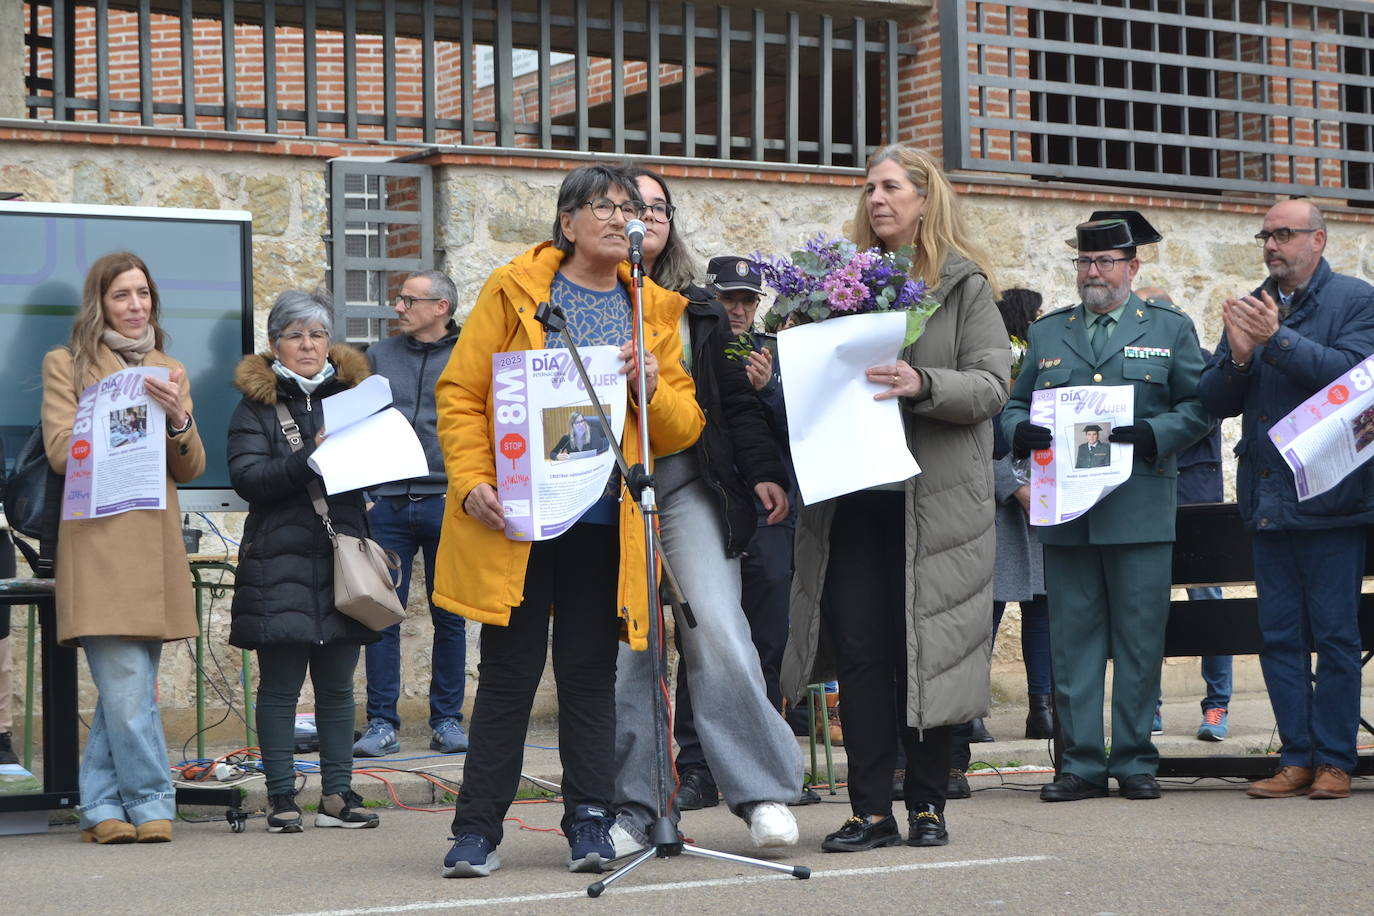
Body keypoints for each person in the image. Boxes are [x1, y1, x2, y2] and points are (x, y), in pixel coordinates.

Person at [432, 165, 704, 877]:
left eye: (630, 208)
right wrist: (471, 482)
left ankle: (589, 821)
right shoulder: (514, 289)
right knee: (508, 675)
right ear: (567, 224)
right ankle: (476, 831)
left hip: (603, 525)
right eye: (603, 207)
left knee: (589, 677)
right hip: (519, 521)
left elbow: (683, 427)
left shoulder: (654, 309)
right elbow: (461, 395)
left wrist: (651, 386)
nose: (621, 219)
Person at [784, 144, 1010, 852]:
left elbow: (992, 386)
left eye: (890, 187)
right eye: (870, 188)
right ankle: (870, 810)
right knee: (860, 653)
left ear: (923, 196)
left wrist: (923, 384)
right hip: (854, 497)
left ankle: (929, 804)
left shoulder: (964, 285)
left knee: (929, 650)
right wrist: (783, 365)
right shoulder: (838, 285)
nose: (876, 198)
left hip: (934, 504)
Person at [610, 167, 802, 853]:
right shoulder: (570, 295)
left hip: (690, 483)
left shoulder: (699, 305)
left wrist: (764, 474)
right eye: (633, 204)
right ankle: (634, 808)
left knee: (719, 629)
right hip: (610, 493)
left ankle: (763, 793)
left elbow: (735, 404)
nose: (647, 215)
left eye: (659, 205)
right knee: (631, 652)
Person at [1003, 211, 1211, 803]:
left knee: (1141, 639)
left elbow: (1200, 406)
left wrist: (1155, 434)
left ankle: (1135, 759)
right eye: (1084, 262)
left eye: (1105, 262)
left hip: (1138, 506)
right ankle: (1081, 765)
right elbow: (1015, 405)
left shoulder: (1168, 327)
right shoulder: (1048, 332)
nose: (1093, 273)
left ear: (1132, 267)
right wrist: (1021, 432)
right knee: (1073, 641)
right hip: (1068, 511)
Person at [1197, 199, 1374, 800]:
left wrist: (1276, 340)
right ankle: (1295, 757)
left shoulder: (1355, 300)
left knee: (1336, 636)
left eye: (1283, 235)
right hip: (1268, 498)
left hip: (1331, 498)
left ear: (1318, 240)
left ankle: (1335, 761)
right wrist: (1241, 357)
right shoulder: (1254, 304)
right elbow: (1215, 399)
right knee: (1278, 636)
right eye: (1265, 236)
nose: (1271, 246)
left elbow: (1351, 376)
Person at [40, 251, 205, 843]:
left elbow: (191, 466)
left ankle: (102, 808)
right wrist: (112, 402)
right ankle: (151, 799)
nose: (136, 307)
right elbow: (61, 453)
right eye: (121, 296)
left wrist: (179, 419)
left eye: (143, 295)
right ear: (100, 303)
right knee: (130, 690)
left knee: (124, 692)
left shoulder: (170, 367)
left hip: (155, 550)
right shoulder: (68, 364)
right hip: (99, 546)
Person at [227, 290, 381, 834]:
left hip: (342, 556)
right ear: (275, 346)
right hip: (279, 562)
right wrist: (307, 457)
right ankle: (280, 798)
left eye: (317, 334)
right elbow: (249, 479)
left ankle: (337, 796)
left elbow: (376, 463)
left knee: (339, 688)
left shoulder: (353, 395)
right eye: (295, 335)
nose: (308, 345)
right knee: (281, 688)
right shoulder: (255, 407)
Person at [354, 270, 469, 759]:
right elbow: (354, 421)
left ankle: (446, 721)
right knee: (381, 617)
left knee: (452, 618)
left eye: (407, 300)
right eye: (398, 300)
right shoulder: (377, 357)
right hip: (388, 505)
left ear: (440, 307)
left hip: (450, 503)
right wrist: (363, 489)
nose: (397, 308)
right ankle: (381, 723)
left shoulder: (469, 354)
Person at [949, 287, 1053, 799]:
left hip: (1042, 509)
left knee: (1041, 611)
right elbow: (978, 438)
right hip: (996, 510)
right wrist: (1012, 487)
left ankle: (1044, 707)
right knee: (983, 616)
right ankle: (970, 715)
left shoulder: (1042, 367)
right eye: (1036, 314)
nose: (1042, 320)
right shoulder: (990, 366)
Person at [1137, 286, 1231, 742]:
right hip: (1147, 498)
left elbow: (1201, 417)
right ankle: (1148, 708)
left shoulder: (1205, 360)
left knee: (1209, 607)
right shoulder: (1133, 364)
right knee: (1148, 608)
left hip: (1196, 499)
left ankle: (1216, 708)